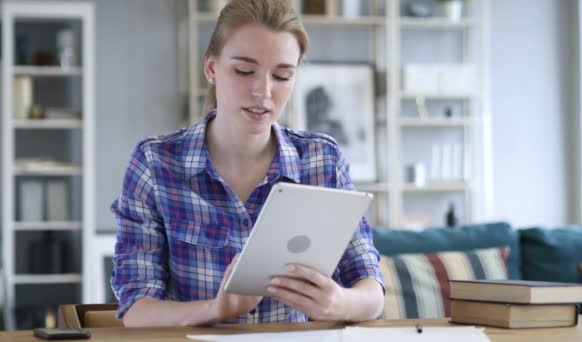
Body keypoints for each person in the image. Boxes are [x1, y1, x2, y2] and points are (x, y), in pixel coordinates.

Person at [111, 0, 384, 327]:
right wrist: (215, 309)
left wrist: (339, 302)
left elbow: (371, 291)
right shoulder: (155, 164)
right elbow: (135, 310)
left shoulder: (321, 160)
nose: (263, 91)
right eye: (244, 71)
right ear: (211, 68)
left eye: (282, 76)